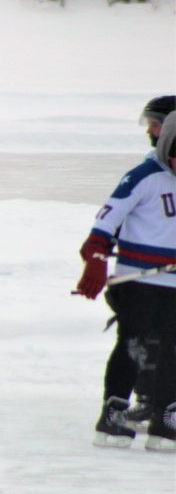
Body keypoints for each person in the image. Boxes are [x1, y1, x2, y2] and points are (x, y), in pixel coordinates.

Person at [76, 111, 176, 451]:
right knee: (132, 344)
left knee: (172, 351)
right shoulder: (143, 176)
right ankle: (113, 414)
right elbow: (106, 220)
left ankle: (165, 418)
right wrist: (96, 258)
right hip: (137, 282)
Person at [107, 95, 176, 429]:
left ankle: (162, 405)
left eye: (156, 123)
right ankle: (149, 401)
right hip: (143, 279)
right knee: (143, 339)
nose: (150, 129)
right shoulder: (149, 171)